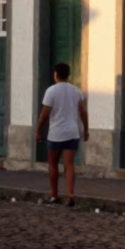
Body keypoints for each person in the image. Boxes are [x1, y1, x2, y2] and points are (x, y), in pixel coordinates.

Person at [36, 62, 89, 207]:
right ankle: (70, 195)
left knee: (53, 164)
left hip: (56, 134)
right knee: (69, 165)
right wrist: (86, 129)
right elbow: (83, 112)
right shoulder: (76, 91)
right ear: (68, 75)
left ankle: (54, 195)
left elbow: (45, 114)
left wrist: (38, 130)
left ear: (55, 74)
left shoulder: (51, 91)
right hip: (72, 133)